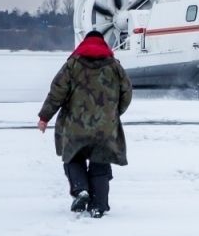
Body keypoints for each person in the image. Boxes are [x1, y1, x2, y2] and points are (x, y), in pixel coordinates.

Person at [37, 31, 132, 218]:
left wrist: (44, 117)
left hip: (75, 126)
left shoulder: (72, 65)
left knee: (73, 158)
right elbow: (127, 93)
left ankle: (81, 190)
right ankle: (98, 206)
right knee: (101, 164)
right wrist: (113, 113)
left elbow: (57, 92)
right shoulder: (115, 67)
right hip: (105, 128)